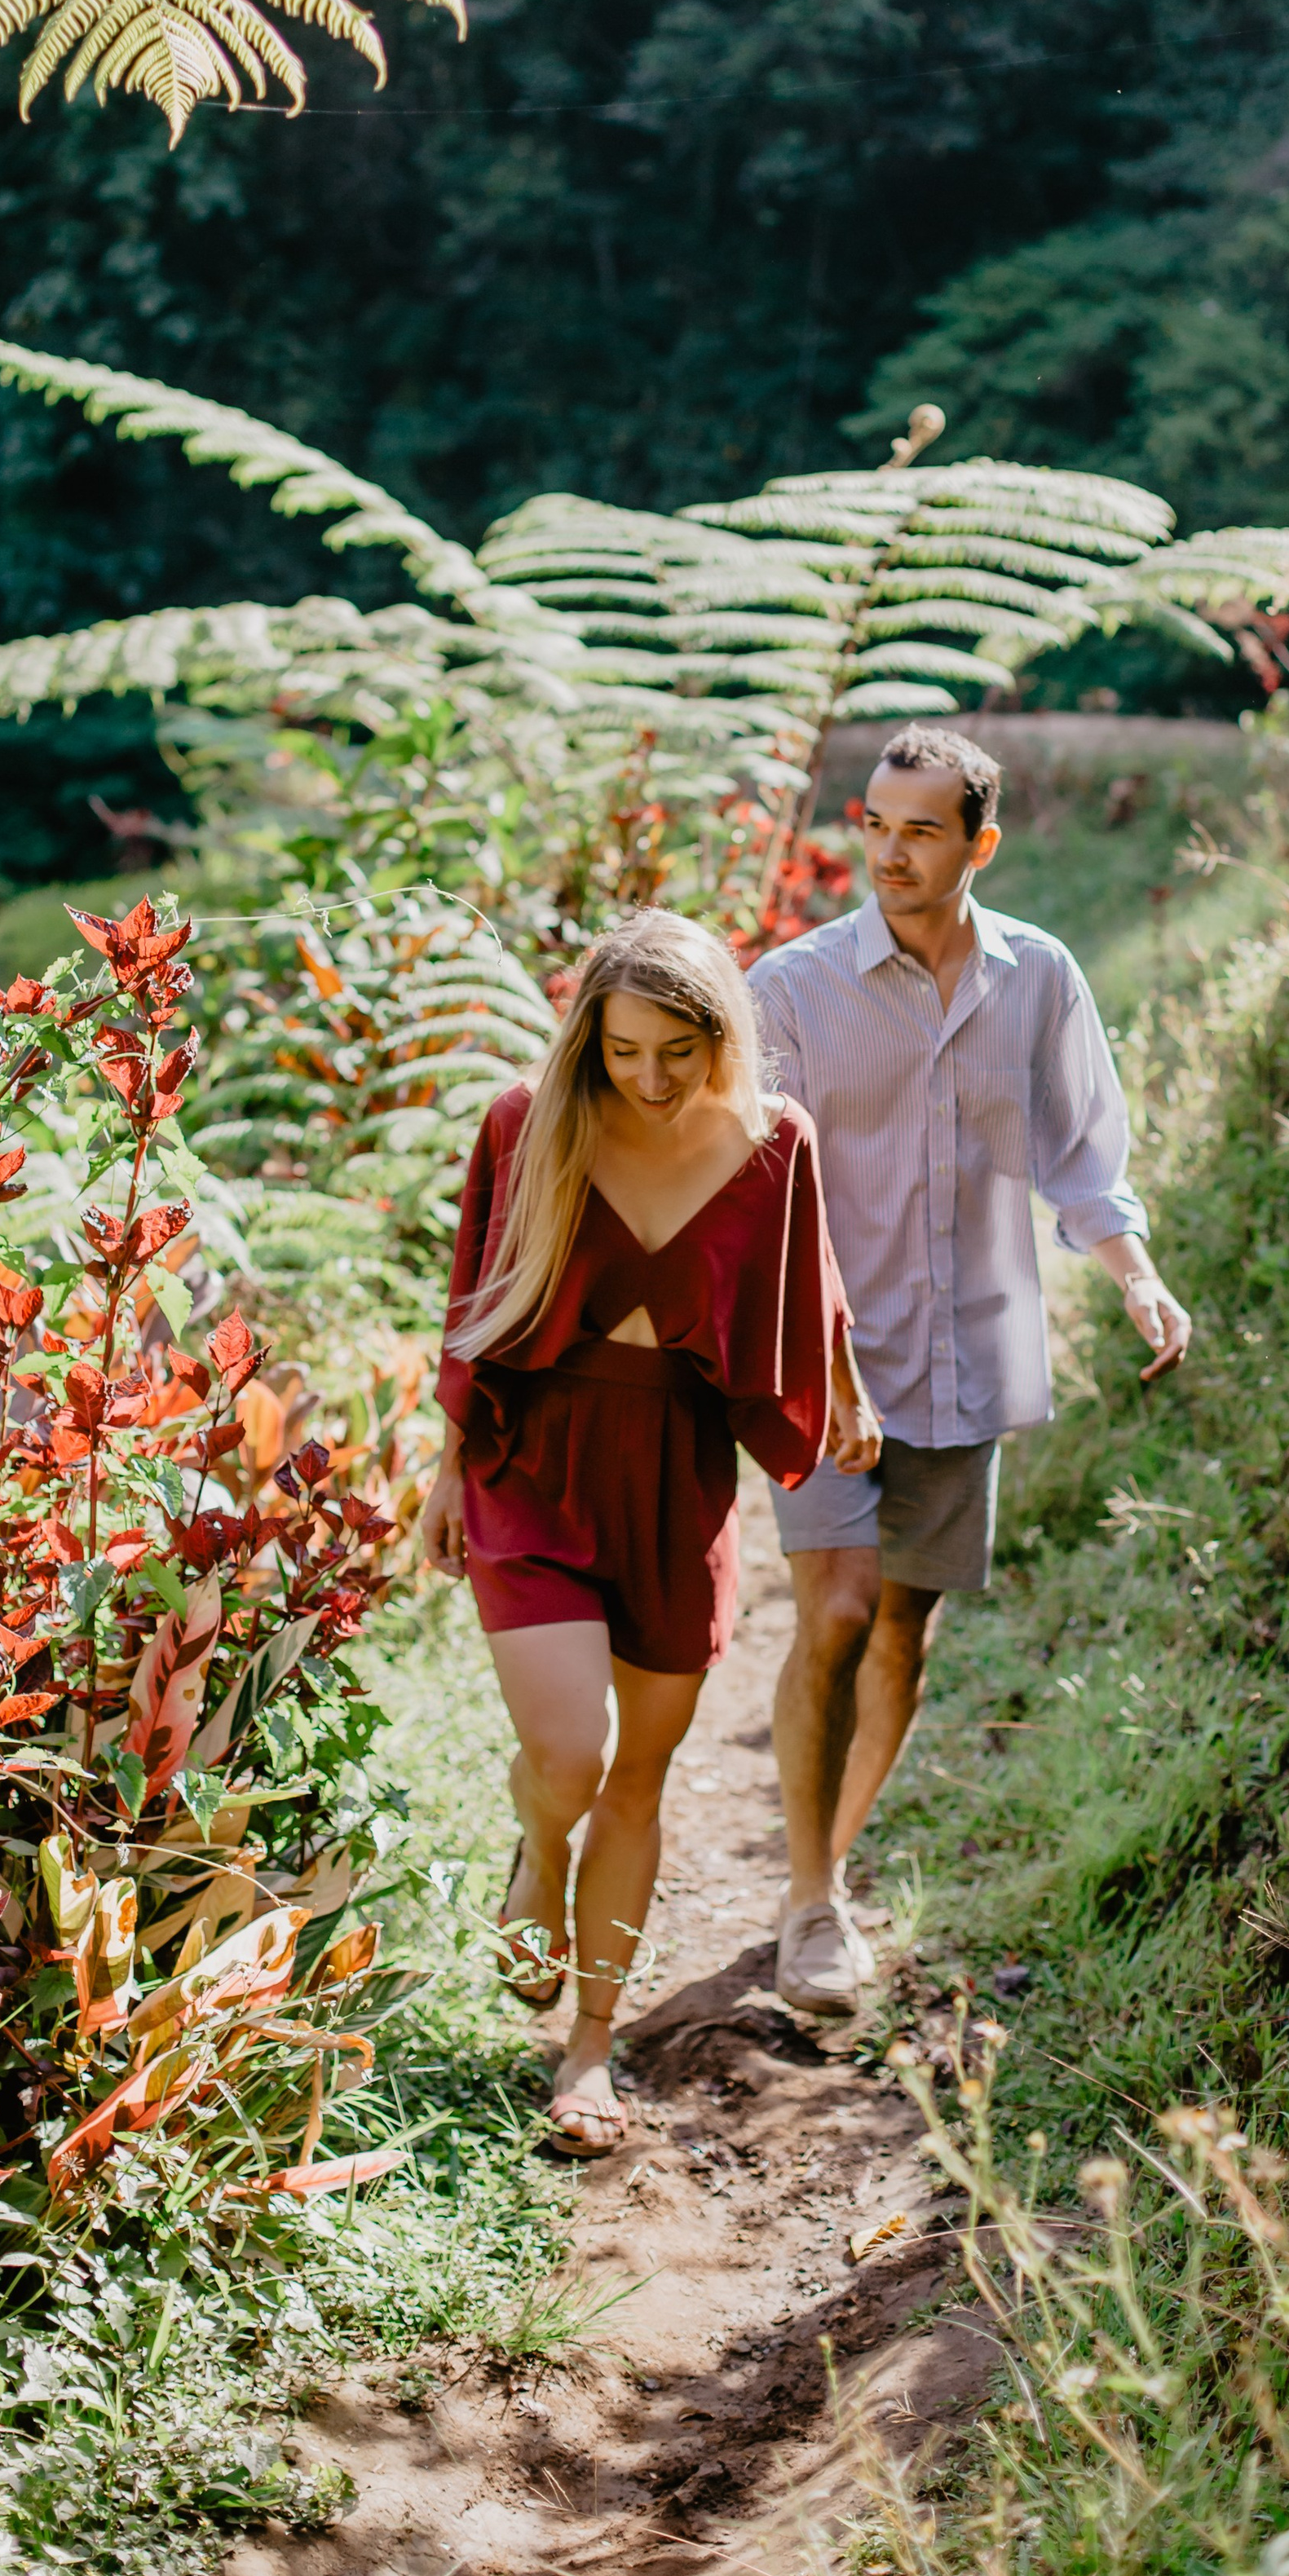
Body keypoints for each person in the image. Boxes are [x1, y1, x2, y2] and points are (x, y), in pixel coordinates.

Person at [748, 725, 1192, 2017]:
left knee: (901, 1631)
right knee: (833, 1612)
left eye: (920, 830)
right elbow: (763, 1190)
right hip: (827, 1363)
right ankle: (809, 1902)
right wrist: (810, 1358)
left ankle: (823, 1866)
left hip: (967, 1355)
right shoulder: (791, 988)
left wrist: (1135, 1276)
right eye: (875, 825)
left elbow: (1081, 1157)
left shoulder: (1041, 979)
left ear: (978, 844)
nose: (888, 852)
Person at [421, 909, 881, 2155]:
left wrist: (842, 1394)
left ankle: (588, 2053)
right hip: (537, 1460)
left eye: (679, 1052)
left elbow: (812, 1280)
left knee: (639, 1777)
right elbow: (474, 1296)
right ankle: (535, 1842)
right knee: (568, 1758)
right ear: (592, 1041)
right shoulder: (531, 1121)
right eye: (627, 1053)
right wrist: (447, 1473)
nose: (654, 1079)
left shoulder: (772, 1142)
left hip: (679, 1477)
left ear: (721, 1034)